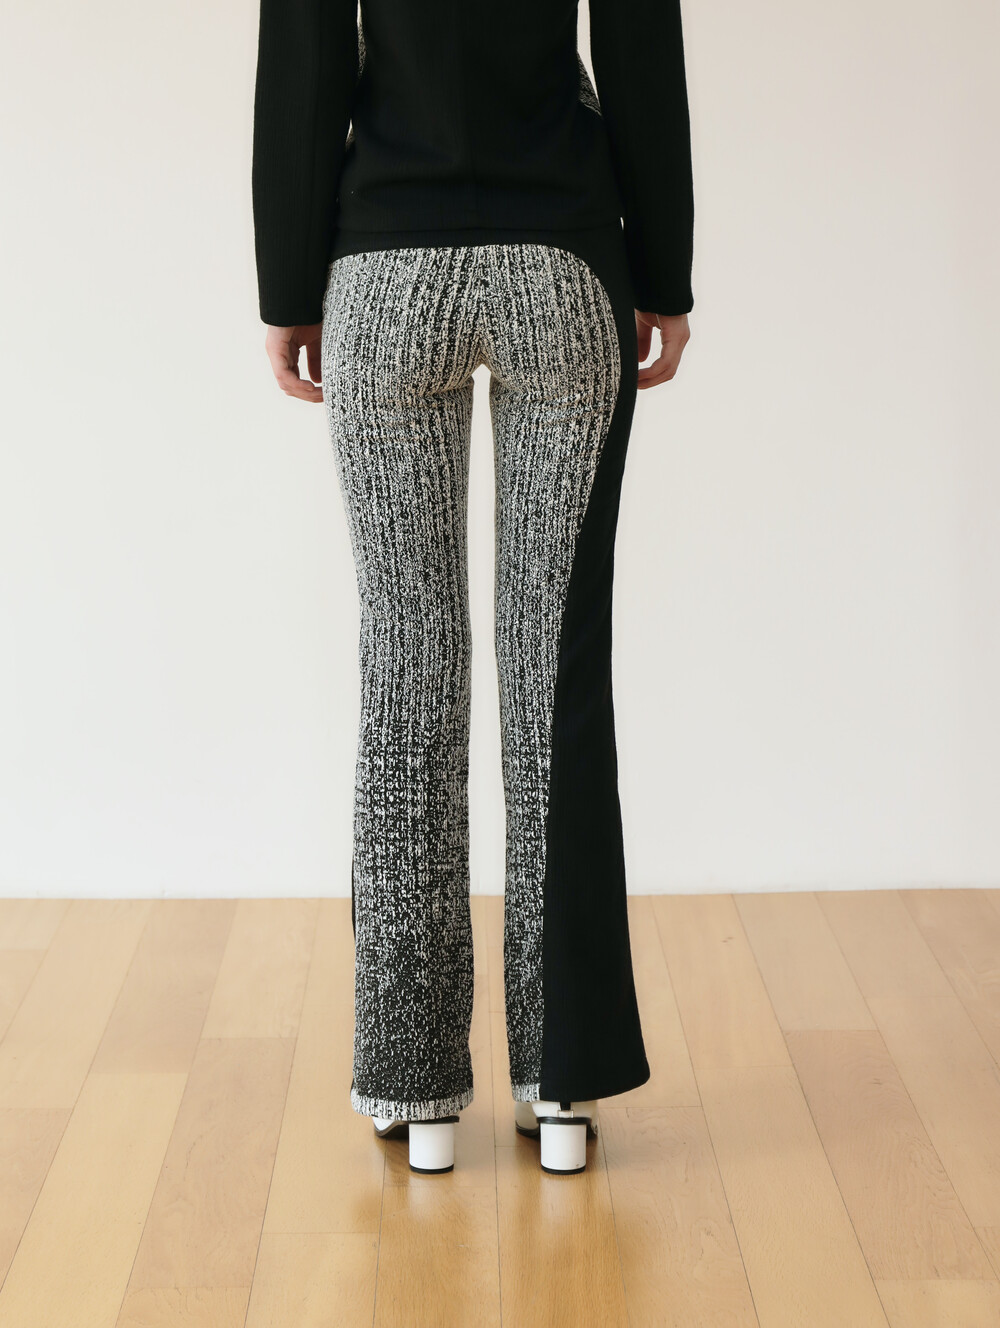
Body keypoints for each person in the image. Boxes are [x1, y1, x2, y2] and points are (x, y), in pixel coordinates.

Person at [251, 0, 694, 1175]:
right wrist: (665, 266)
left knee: (408, 672)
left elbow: (305, 56)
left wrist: (287, 284)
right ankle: (562, 1083)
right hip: (563, 264)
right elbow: (637, 41)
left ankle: (415, 1088)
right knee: (553, 678)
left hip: (384, 269)